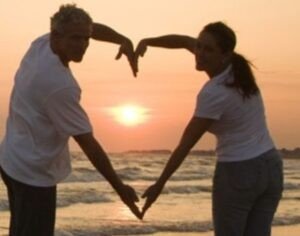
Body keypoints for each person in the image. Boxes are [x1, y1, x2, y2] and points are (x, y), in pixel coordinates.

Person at [0, 4, 141, 236]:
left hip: (11, 157)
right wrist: (120, 188)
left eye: (86, 39)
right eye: (76, 39)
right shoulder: (58, 85)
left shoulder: (41, 44)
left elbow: (92, 29)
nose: (83, 45)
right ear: (57, 35)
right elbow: (88, 143)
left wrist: (121, 39)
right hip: (32, 172)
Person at [135, 22, 283, 236]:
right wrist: (148, 41)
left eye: (208, 49)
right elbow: (184, 41)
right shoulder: (238, 69)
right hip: (271, 167)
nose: (199, 54)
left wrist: (160, 184)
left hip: (239, 171)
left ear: (224, 54)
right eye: (199, 47)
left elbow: (186, 144)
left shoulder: (214, 92)